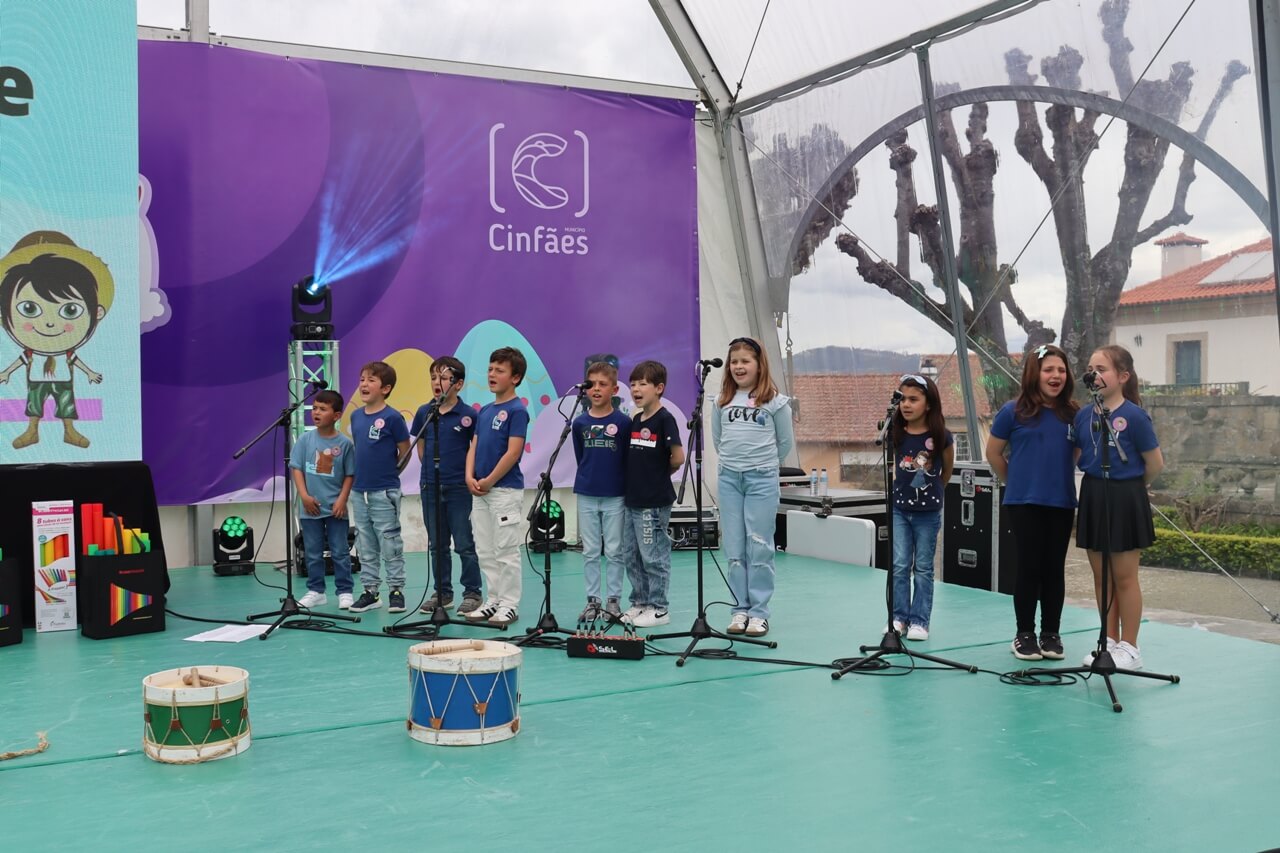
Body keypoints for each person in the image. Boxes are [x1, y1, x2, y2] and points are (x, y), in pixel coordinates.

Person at [986, 344, 1079, 661]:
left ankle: (1051, 634)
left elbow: (1075, 453)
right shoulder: (1013, 411)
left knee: (1054, 569)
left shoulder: (1074, 414)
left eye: (1061, 370)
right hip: (1023, 503)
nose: (1056, 376)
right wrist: (1015, 481)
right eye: (1048, 369)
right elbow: (994, 453)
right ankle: (1024, 633)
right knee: (1029, 567)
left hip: (1062, 502)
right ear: (1034, 374)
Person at [1074, 345, 1163, 671]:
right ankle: (1108, 640)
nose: (1094, 374)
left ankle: (1130, 646)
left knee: (1125, 577)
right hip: (1093, 494)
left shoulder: (1135, 416)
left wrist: (1132, 487)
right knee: (1102, 578)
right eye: (1090, 369)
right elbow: (1080, 454)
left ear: (1123, 376)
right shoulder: (1083, 416)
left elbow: (1154, 463)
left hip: (1125, 496)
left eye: (1102, 369)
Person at [0, 233, 114, 450]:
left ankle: (70, 431)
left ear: (96, 312)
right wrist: (6, 372)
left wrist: (89, 373)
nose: (50, 323)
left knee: (66, 404)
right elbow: (22, 359)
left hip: (63, 379)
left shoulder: (66, 352)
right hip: (36, 378)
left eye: (70, 310)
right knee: (34, 404)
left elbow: (74, 360)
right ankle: (32, 431)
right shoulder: (32, 351)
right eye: (29, 309)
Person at [712, 336, 793, 638]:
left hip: (761, 480)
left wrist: (762, 464)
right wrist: (735, 464)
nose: (738, 366)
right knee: (734, 547)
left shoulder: (776, 402)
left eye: (745, 361)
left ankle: (759, 612)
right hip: (730, 479)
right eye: (734, 361)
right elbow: (718, 440)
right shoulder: (721, 401)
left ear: (759, 365)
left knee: (759, 545)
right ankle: (740, 608)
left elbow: (784, 443)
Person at [409, 356, 482, 615]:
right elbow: (420, 447)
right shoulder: (424, 412)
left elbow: (475, 449)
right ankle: (442, 592)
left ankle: (472, 592)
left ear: (458, 384)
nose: (436, 383)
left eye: (443, 378)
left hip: (458, 488)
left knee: (464, 542)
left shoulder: (469, 415)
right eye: (433, 377)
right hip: (430, 486)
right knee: (437, 545)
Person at [465, 347, 529, 627]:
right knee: (485, 549)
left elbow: (513, 453)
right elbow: (474, 446)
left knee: (506, 551)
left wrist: (490, 480)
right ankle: (493, 600)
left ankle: (509, 604)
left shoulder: (517, 411)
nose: (492, 374)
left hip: (504, 491)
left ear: (515, 378)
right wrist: (469, 476)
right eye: (490, 369)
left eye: (499, 370)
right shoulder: (486, 410)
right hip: (480, 491)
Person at [890, 373, 953, 641]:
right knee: (900, 564)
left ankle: (919, 620)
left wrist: (934, 493)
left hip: (927, 513)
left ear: (928, 404)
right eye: (903, 399)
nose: (906, 404)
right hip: (899, 510)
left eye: (913, 399)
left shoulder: (940, 436)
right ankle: (899, 618)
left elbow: (946, 470)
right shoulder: (896, 433)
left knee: (924, 568)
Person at [621, 360, 685, 628]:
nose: (636, 389)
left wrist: (658, 474)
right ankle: (641, 602)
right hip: (632, 498)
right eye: (633, 384)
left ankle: (659, 608)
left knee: (653, 555)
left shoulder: (665, 419)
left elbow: (678, 457)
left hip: (653, 501)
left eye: (643, 384)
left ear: (659, 388)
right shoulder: (636, 419)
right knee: (631, 554)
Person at [347, 361, 411, 614]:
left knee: (390, 542)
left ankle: (396, 590)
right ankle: (370, 592)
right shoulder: (356, 416)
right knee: (365, 544)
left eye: (371, 380)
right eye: (362, 379)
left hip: (383, 491)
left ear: (386, 388)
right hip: (359, 491)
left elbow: (405, 451)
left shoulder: (393, 418)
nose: (364, 384)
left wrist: (390, 476)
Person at [571, 361, 631, 623]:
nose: (596, 389)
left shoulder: (623, 422)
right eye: (592, 384)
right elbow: (580, 456)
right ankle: (592, 600)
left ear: (614, 390)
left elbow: (626, 458)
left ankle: (613, 601)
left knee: (615, 550)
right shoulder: (579, 423)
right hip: (587, 493)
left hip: (615, 495)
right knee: (590, 550)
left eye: (602, 384)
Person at [289, 389, 356, 609]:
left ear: (336, 415)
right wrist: (304, 496)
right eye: (315, 408)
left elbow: (349, 474)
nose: (316, 412)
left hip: (336, 508)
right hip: (310, 509)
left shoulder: (345, 444)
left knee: (340, 551)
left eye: (323, 409)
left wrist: (342, 500)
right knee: (313, 552)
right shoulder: (305, 440)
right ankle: (316, 591)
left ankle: (345, 591)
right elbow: (297, 468)